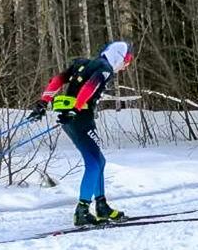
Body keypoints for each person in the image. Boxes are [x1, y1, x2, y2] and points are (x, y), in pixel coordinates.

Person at [28, 41, 134, 225]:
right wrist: (76, 109)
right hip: (80, 118)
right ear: (119, 56)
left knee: (99, 161)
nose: (125, 66)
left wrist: (43, 102)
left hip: (70, 117)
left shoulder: (83, 63)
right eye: (127, 61)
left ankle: (101, 206)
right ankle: (82, 211)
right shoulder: (105, 68)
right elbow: (89, 88)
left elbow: (58, 80)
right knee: (94, 163)